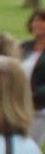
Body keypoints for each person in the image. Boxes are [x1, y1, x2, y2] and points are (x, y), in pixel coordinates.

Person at [23, 9, 45, 144]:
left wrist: (31, 97)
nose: (36, 24)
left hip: (38, 109)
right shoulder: (24, 47)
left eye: (42, 21)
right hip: (16, 104)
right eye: (35, 20)